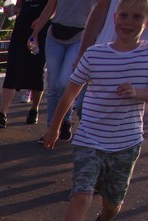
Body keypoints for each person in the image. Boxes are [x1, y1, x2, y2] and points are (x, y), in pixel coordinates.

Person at [42, 0, 148, 221]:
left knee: (113, 202)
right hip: (89, 137)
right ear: (115, 17)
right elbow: (71, 90)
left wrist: (137, 92)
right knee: (80, 196)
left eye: (136, 17)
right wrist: (54, 127)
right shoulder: (96, 54)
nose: (128, 22)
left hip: (125, 142)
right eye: (123, 15)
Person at [29, 0, 100, 143]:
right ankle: (50, 129)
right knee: (52, 85)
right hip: (55, 35)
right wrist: (35, 33)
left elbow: (101, 14)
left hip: (79, 36)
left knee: (64, 83)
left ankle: (65, 120)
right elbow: (50, 7)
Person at [0, 0, 49, 129]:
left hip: (42, 31)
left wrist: (42, 20)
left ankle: (34, 109)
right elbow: (19, 6)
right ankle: (2, 113)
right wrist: (12, 10)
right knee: (12, 69)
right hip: (21, 29)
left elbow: (53, 9)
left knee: (37, 70)